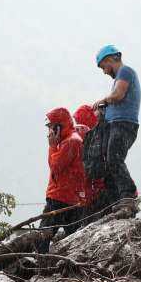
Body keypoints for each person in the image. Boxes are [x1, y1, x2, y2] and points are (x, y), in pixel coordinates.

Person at [92, 45, 140, 204]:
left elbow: (118, 95)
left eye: (103, 67)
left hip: (124, 124)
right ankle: (115, 200)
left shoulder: (126, 71)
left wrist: (103, 101)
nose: (105, 71)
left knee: (114, 158)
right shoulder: (121, 75)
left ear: (110, 59)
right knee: (109, 163)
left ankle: (128, 195)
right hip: (116, 124)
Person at [40, 107, 86, 253]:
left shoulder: (70, 142)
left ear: (59, 127)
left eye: (51, 127)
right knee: (72, 237)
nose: (49, 132)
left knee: (43, 235)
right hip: (72, 198)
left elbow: (55, 167)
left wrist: (52, 147)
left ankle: (40, 266)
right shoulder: (70, 139)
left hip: (60, 197)